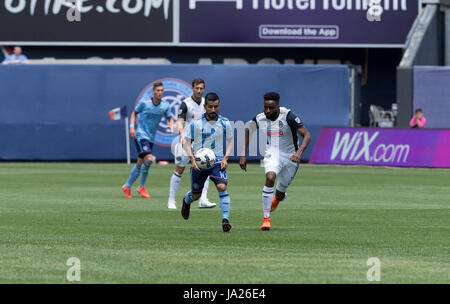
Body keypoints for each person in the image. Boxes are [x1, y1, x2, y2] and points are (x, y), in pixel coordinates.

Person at [239, 92, 311, 231]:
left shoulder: (288, 115)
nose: (267, 111)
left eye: (271, 108)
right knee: (270, 177)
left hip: (291, 156)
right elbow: (248, 131)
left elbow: (306, 135)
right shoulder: (260, 118)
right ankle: (266, 219)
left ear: (277, 106)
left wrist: (298, 153)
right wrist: (243, 155)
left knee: (280, 193)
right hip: (273, 153)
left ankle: (278, 197)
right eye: (265, 107)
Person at [181, 92, 234, 232]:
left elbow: (230, 141)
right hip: (199, 164)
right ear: (205, 106)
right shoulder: (196, 123)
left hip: (217, 161)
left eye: (215, 106)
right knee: (196, 195)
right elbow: (186, 143)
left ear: (219, 106)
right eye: (210, 106)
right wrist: (192, 159)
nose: (213, 110)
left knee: (222, 187)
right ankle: (186, 201)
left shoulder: (225, 122)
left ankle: (225, 220)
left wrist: (226, 158)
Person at [167, 78, 216, 210]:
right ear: (192, 88)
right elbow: (180, 121)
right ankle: (171, 200)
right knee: (180, 169)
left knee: (206, 167)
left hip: (201, 142)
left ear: (204, 89)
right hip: (186, 141)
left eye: (201, 88)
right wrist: (182, 136)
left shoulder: (207, 103)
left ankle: (203, 200)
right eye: (197, 88)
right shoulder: (186, 104)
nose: (199, 91)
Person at [121, 82, 174, 198]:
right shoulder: (145, 103)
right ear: (153, 92)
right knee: (149, 159)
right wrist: (131, 128)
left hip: (151, 137)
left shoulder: (165, 105)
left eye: (161, 90)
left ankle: (127, 186)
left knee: (140, 162)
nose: (160, 93)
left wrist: (171, 125)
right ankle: (141, 187)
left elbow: (170, 118)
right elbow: (134, 113)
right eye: (158, 90)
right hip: (141, 135)